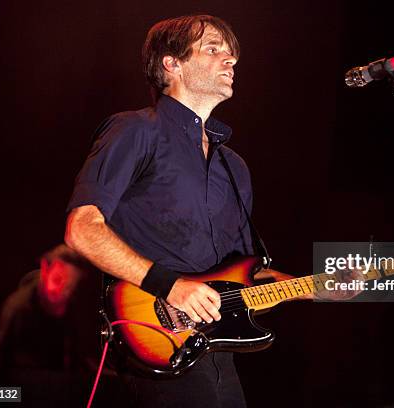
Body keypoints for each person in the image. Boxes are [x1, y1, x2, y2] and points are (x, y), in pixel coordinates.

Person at [64, 14, 291, 408]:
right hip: (152, 338)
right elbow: (83, 229)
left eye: (232, 53)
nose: (231, 60)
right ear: (172, 63)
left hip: (216, 350)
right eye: (214, 49)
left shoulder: (233, 166)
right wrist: (170, 285)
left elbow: (245, 274)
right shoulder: (136, 130)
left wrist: (318, 286)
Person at [0, 244, 99, 406]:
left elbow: (76, 360)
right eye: (57, 280)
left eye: (69, 287)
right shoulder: (17, 308)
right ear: (45, 269)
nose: (61, 292)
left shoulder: (73, 310)